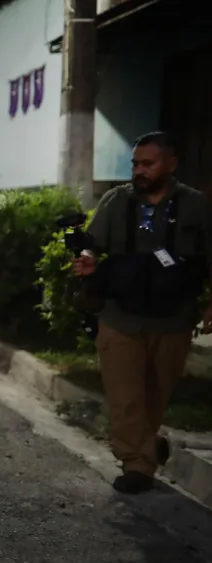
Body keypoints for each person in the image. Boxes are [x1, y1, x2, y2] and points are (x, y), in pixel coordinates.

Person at [71, 132, 212, 494]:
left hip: (174, 319)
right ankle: (137, 464)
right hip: (120, 316)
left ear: (171, 164)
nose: (139, 170)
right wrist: (87, 260)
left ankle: (147, 447)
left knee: (155, 395)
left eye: (147, 163)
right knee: (125, 395)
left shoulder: (195, 205)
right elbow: (92, 245)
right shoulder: (117, 201)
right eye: (135, 163)